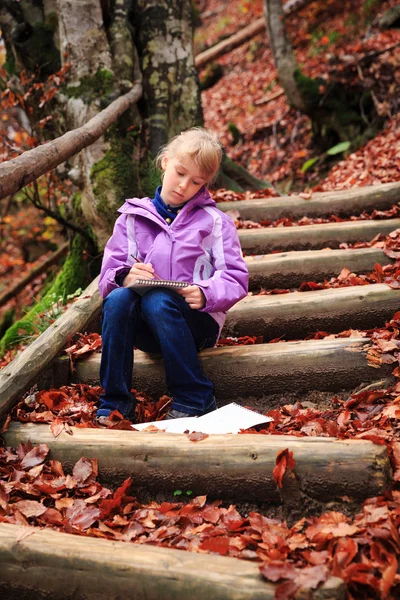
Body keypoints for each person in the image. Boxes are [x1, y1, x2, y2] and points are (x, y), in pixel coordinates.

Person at [97, 127, 249, 425]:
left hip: (196, 323)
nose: (183, 186)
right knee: (117, 300)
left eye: (196, 182)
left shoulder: (215, 222)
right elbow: (107, 277)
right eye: (180, 173)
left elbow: (235, 277)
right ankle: (115, 400)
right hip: (148, 329)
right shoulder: (131, 218)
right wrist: (126, 276)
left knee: (158, 302)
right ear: (165, 162)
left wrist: (206, 293)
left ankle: (195, 396)